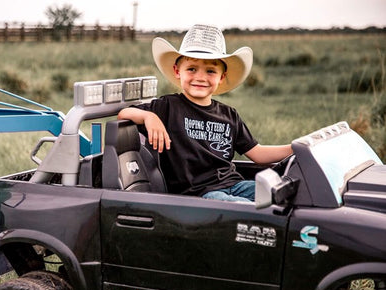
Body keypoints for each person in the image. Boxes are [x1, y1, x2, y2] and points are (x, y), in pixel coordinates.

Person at [118, 24, 293, 202]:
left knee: (282, 192)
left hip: (234, 185)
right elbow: (124, 113)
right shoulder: (168, 106)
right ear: (178, 71)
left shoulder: (229, 114)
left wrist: (297, 148)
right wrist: (149, 116)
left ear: (221, 77)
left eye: (210, 71)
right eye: (192, 69)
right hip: (198, 195)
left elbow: (258, 153)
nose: (200, 77)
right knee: (246, 207)